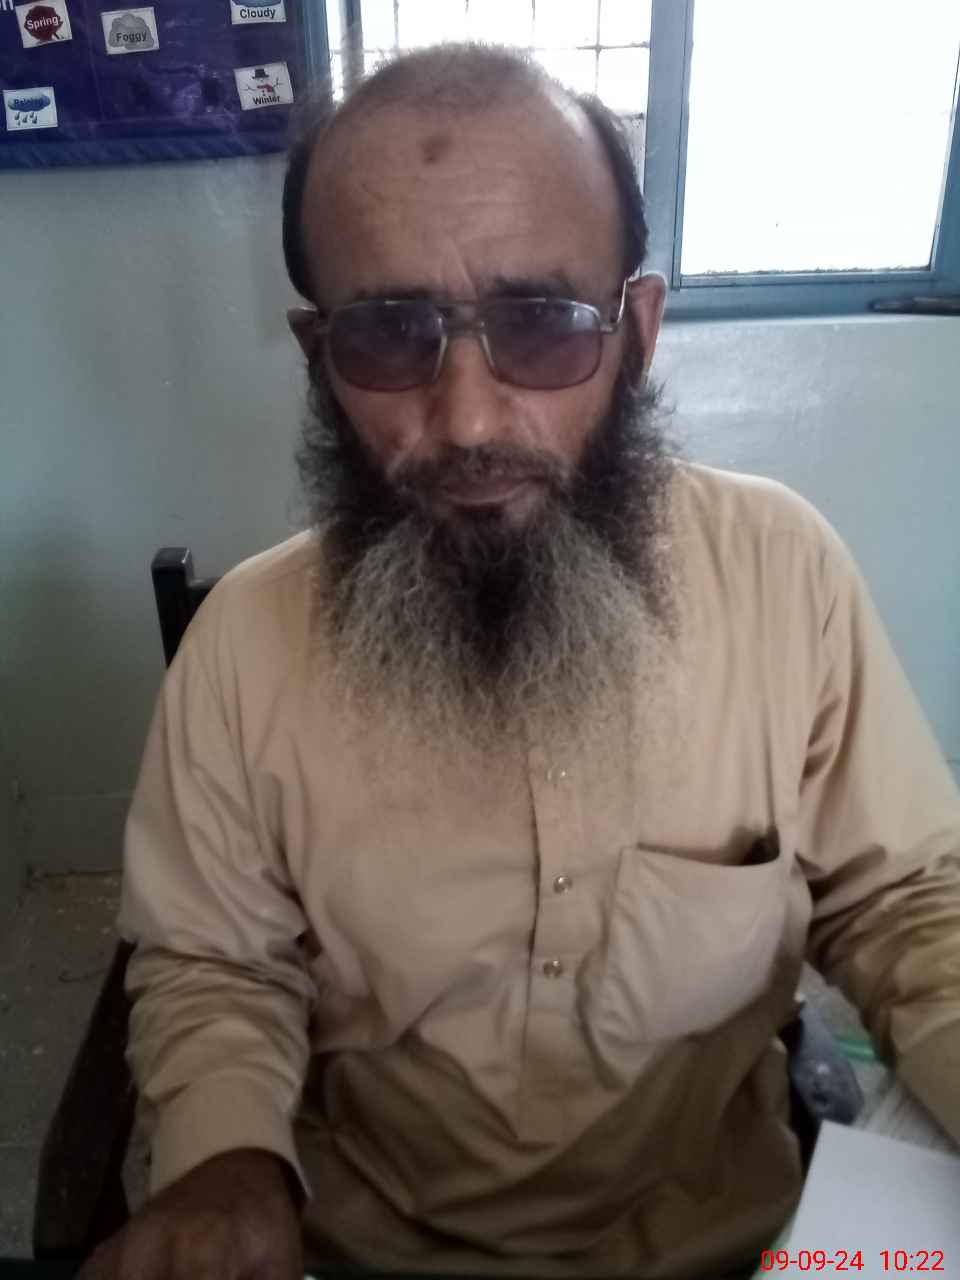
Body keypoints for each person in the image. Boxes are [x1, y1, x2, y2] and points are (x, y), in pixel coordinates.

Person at [81, 42, 960, 1280]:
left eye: (542, 325)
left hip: (725, 1238)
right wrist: (228, 1162)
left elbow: (907, 900)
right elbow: (216, 963)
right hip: (366, 1247)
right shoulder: (242, 647)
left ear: (637, 333)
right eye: (390, 334)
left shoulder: (784, 574)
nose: (469, 419)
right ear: (318, 356)